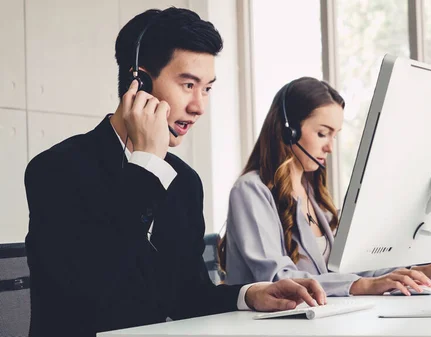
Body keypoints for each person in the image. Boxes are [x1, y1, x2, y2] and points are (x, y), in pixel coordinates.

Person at [24, 8, 324, 337]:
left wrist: (250, 295)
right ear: (139, 83)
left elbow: (187, 297)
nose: (199, 106)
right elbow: (92, 295)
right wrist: (147, 165)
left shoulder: (185, 182)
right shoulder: (56, 171)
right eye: (188, 85)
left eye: (207, 88)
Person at [218, 77, 431, 297]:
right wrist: (361, 286)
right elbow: (279, 281)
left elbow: (351, 266)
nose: (330, 146)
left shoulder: (312, 195)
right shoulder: (251, 191)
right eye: (322, 133)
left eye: (334, 135)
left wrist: (419, 269)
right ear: (288, 131)